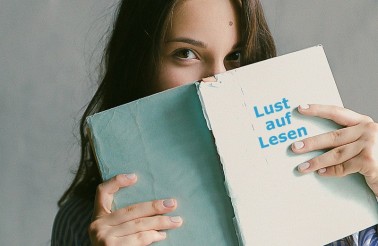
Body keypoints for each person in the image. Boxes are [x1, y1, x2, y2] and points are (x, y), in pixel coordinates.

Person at [51, 0, 378, 245]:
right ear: (140, 62)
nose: (217, 79)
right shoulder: (86, 224)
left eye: (235, 56)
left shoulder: (340, 186)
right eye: (185, 53)